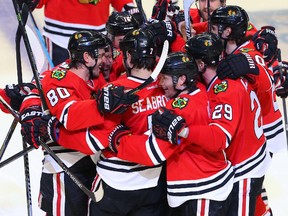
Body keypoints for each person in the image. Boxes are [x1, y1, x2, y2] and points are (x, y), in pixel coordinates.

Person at [111, 52, 235, 215]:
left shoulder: (178, 108)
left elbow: (151, 152)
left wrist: (117, 141)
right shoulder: (201, 89)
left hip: (200, 189)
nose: (160, 83)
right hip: (211, 186)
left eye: (165, 78)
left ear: (182, 79)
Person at [19, 30, 121, 216]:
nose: (106, 61)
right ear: (87, 57)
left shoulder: (92, 76)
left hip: (89, 164)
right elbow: (70, 116)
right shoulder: (59, 80)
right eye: (101, 55)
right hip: (64, 169)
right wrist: (28, 108)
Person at [183, 32, 271, 215]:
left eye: (190, 60)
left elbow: (220, 138)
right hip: (248, 156)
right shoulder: (229, 74)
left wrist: (184, 131)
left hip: (245, 165)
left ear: (200, 64)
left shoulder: (223, 91)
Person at [209, 5, 285, 215]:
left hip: (258, 138)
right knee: (251, 190)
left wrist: (251, 65)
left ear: (227, 32)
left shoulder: (250, 54)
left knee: (247, 189)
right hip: (250, 136)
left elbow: (265, 79)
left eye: (215, 28)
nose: (211, 31)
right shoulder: (234, 49)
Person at [18, 0, 140, 67]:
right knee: (52, 83)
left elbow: (124, 3)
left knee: (95, 88)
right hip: (58, 40)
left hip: (97, 43)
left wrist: (132, 12)